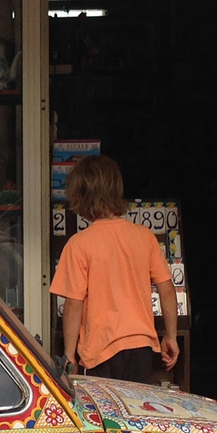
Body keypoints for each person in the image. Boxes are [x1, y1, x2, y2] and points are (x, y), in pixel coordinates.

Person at [49, 155, 179, 383]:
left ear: (80, 197)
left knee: (103, 415)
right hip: (141, 348)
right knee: (132, 413)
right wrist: (170, 335)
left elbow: (73, 304)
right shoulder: (145, 237)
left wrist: (69, 354)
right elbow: (167, 289)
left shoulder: (79, 244)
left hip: (101, 351)